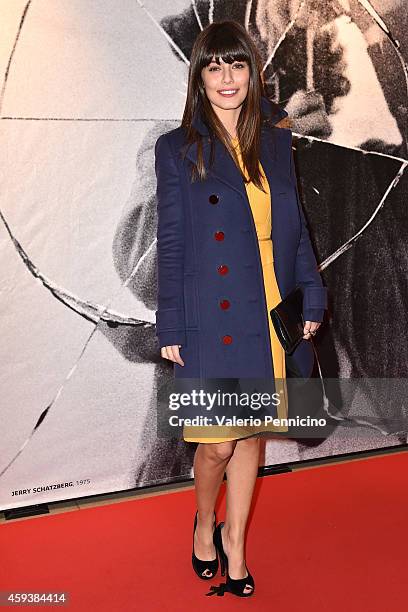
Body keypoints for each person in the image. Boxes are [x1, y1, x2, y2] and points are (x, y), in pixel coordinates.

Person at [154, 20, 327, 598]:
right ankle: (205, 520)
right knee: (217, 442)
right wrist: (171, 322)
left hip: (268, 305)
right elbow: (172, 241)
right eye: (214, 66)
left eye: (237, 65)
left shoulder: (277, 140)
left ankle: (236, 544)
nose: (228, 78)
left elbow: (296, 228)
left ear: (252, 73)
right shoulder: (176, 148)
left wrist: (313, 294)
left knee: (250, 435)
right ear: (199, 77)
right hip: (211, 308)